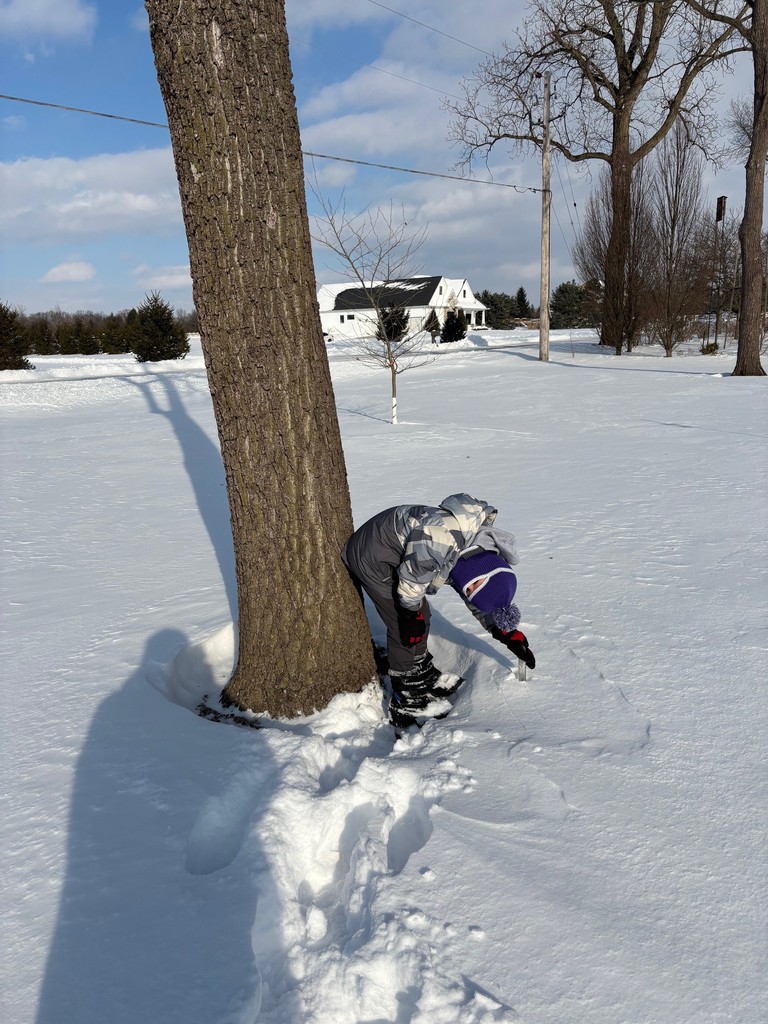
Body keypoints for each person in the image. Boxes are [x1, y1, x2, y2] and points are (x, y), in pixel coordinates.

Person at [341, 493, 535, 728]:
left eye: (471, 589)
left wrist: (502, 630)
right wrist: (410, 616)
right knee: (402, 624)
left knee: (421, 615)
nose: (469, 590)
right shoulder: (440, 541)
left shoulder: (474, 553)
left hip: (403, 556)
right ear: (481, 571)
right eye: (473, 586)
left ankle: (418, 667)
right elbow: (412, 581)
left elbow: (475, 595)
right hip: (372, 554)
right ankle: (406, 694)